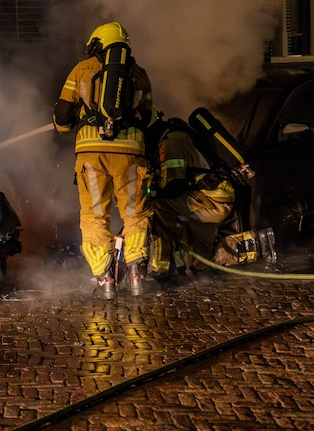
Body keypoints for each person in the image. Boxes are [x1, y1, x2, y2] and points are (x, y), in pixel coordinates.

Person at [52, 21, 156, 299]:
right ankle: (135, 275)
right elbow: (146, 119)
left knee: (95, 215)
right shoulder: (140, 74)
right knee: (135, 213)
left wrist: (70, 122)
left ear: (98, 44)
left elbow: (62, 118)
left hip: (91, 156)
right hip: (132, 155)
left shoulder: (81, 70)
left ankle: (106, 278)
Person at [146, 117, 240, 279]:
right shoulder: (182, 136)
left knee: (157, 208)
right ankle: (250, 249)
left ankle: (164, 266)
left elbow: (173, 186)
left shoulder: (172, 141)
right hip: (217, 199)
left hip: (209, 201)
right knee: (200, 257)